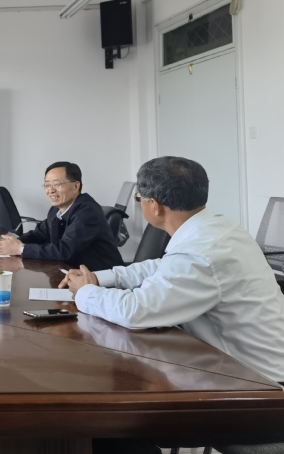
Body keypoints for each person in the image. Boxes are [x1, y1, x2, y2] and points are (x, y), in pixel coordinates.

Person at [62, 156, 284, 383]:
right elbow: (160, 266)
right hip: (243, 365)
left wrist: (85, 291)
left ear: (154, 205)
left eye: (139, 198)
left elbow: (135, 311)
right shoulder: (217, 227)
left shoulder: (199, 253)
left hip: (259, 381)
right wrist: (99, 278)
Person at [0, 162, 124, 272]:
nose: (50, 190)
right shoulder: (56, 210)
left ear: (76, 186)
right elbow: (39, 235)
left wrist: (20, 249)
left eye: (57, 184)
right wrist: (12, 243)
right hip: (72, 274)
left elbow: (64, 250)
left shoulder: (87, 211)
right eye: (47, 185)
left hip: (103, 281)